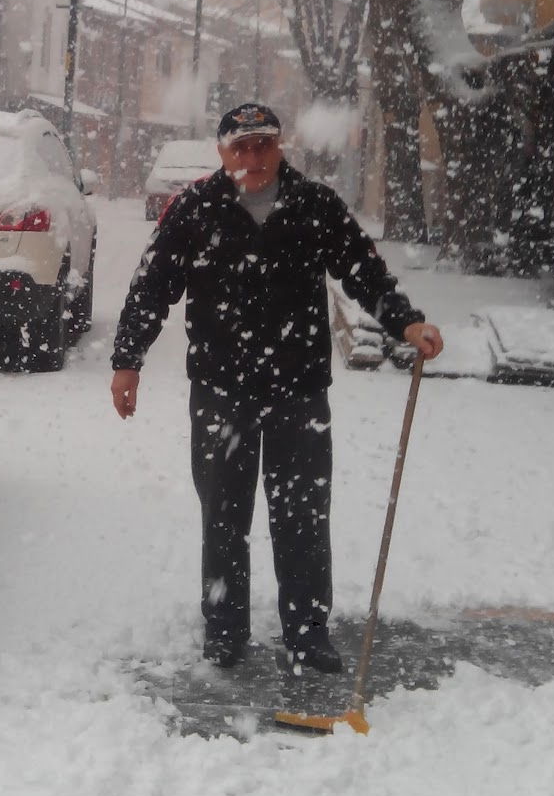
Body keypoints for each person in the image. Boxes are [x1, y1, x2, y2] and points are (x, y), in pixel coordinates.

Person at [110, 102, 443, 672]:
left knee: (303, 515)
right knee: (223, 516)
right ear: (221, 152)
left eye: (263, 144)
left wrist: (405, 321)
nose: (253, 156)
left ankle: (309, 632)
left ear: (280, 146)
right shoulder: (195, 207)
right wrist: (127, 360)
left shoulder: (313, 205)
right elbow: (153, 284)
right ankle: (224, 628)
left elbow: (362, 269)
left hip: (298, 390)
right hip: (221, 390)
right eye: (240, 146)